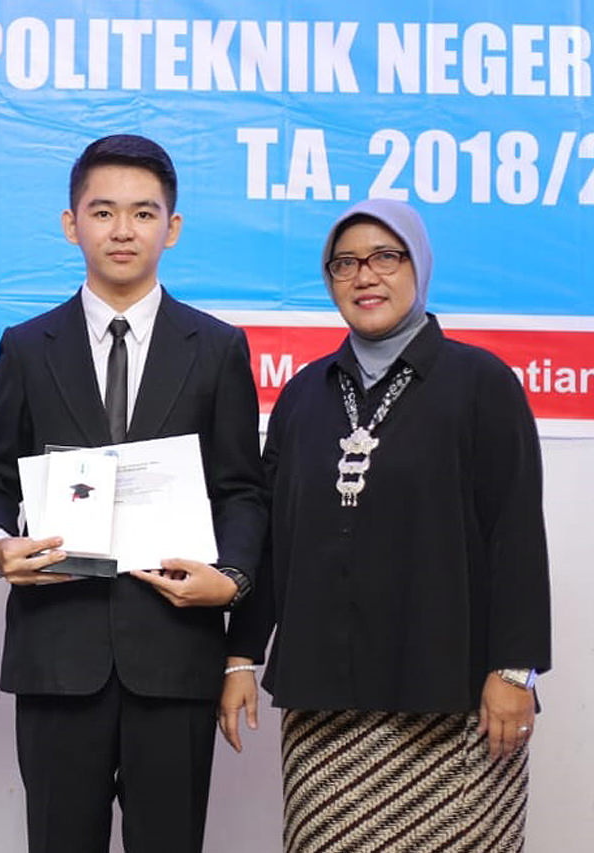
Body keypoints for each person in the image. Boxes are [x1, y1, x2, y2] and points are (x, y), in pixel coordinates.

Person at [221, 198, 550, 852]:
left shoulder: (481, 383)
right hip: (327, 712)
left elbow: (515, 533)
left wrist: (516, 672)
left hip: (454, 702)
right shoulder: (304, 393)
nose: (364, 275)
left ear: (418, 265)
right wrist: (240, 653)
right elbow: (272, 534)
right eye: (344, 263)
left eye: (384, 257)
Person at [0, 134, 267, 853]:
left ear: (171, 227)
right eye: (103, 211)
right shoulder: (25, 344)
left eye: (143, 213)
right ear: (72, 223)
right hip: (57, 654)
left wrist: (230, 582)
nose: (122, 229)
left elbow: (241, 492)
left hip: (174, 654)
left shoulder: (218, 346)